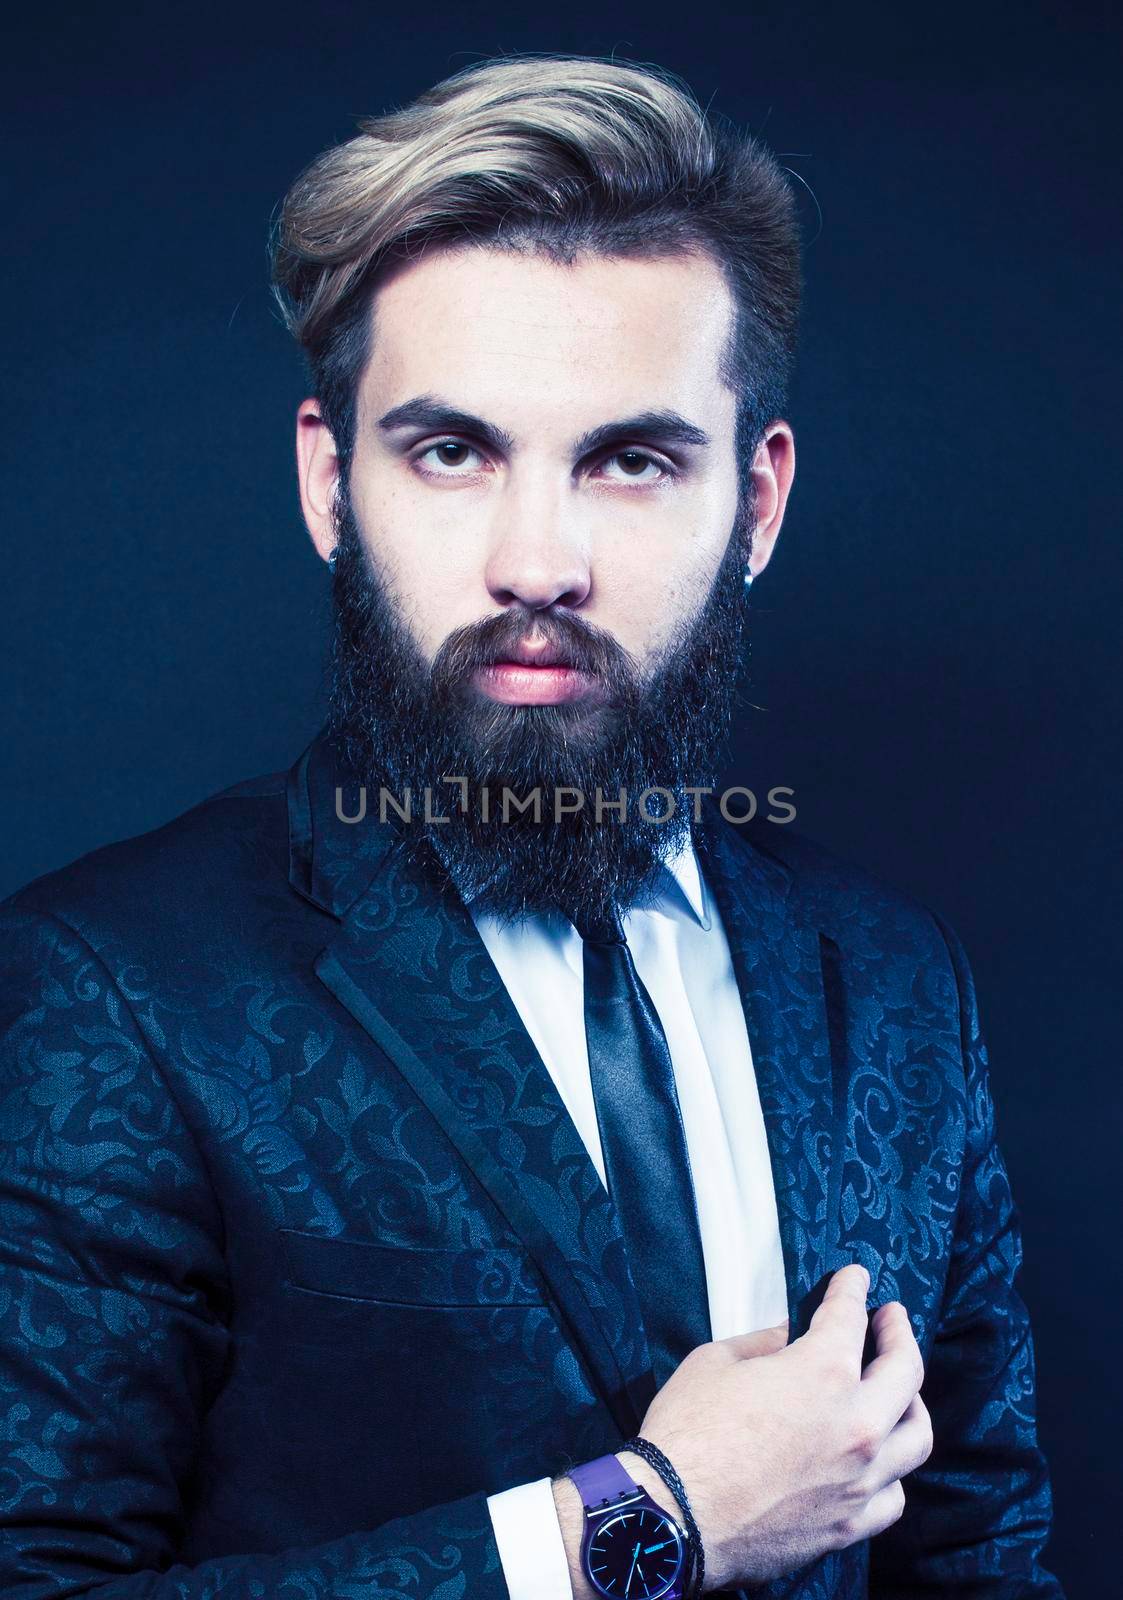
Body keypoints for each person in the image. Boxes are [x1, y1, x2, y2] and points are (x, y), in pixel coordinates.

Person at [0, 53, 1062, 1600]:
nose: (537, 560)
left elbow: (981, 1544)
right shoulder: (104, 992)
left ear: (757, 506)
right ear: (328, 482)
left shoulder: (895, 981)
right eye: (452, 451)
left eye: (631, 460)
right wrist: (650, 1519)